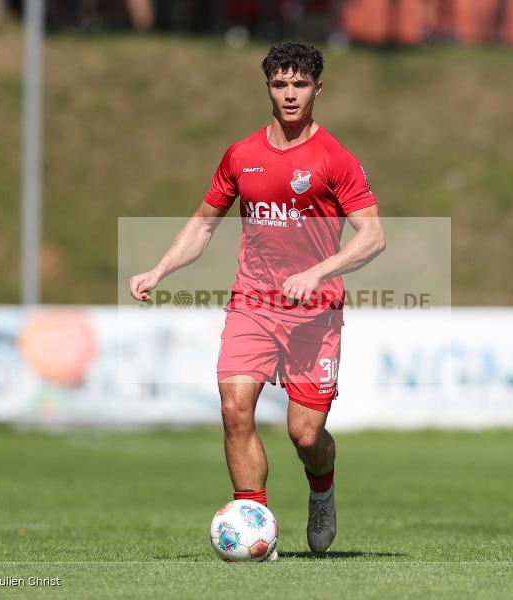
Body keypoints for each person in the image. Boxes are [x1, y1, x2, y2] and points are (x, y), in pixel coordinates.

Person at [129, 41, 385, 556]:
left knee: (306, 435)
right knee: (234, 408)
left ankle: (322, 489)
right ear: (267, 86)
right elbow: (204, 225)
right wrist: (159, 269)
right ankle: (254, 522)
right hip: (253, 304)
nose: (290, 95)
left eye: (300, 84)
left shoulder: (335, 159)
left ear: (318, 87)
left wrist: (318, 272)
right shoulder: (241, 156)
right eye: (279, 84)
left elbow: (372, 236)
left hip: (315, 313)